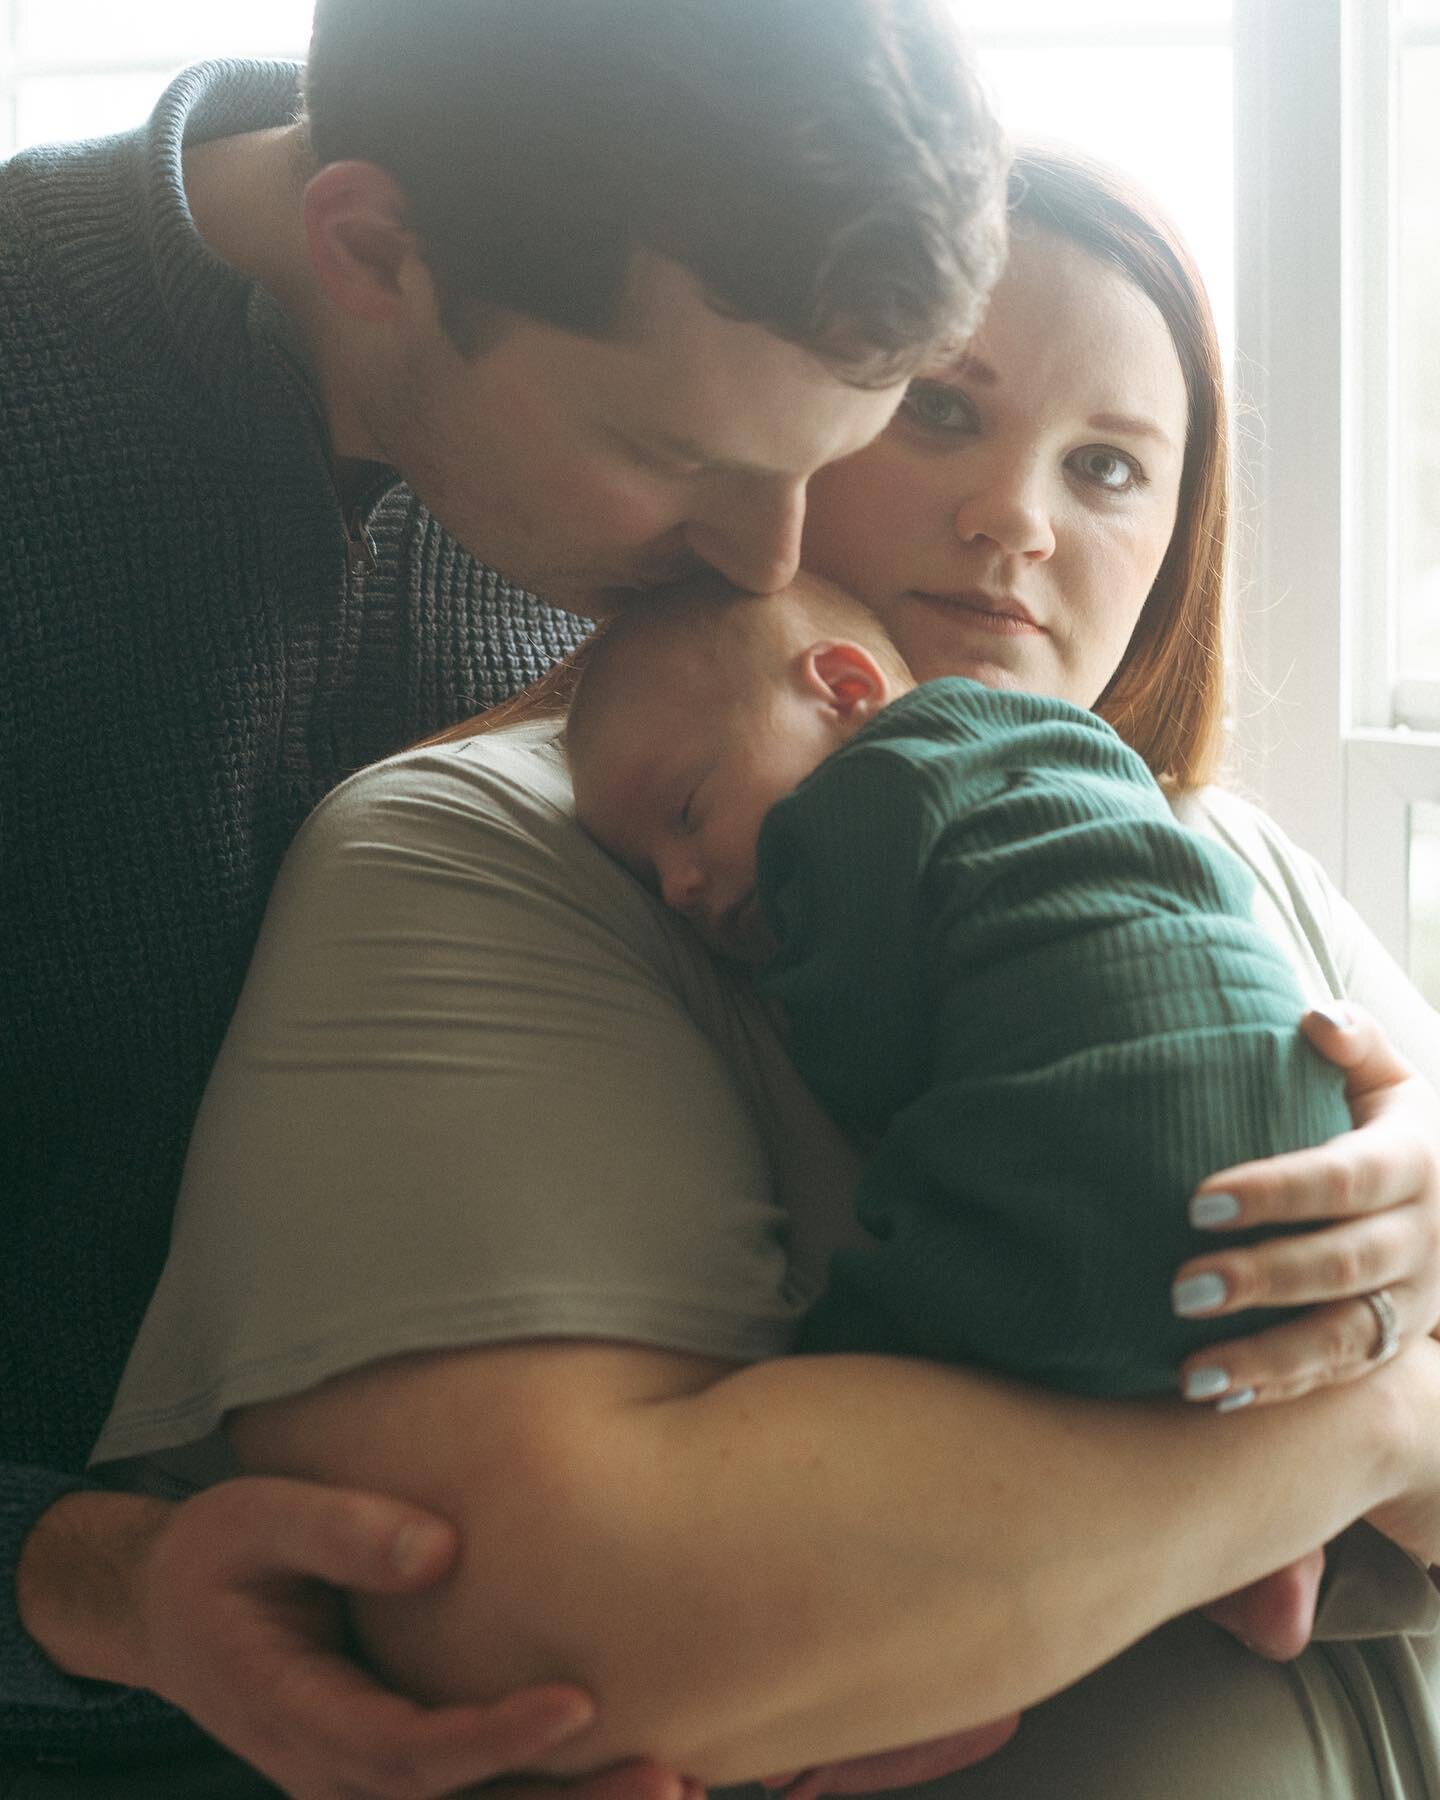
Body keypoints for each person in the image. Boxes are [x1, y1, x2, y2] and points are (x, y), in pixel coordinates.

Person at [91, 144, 1440, 1798]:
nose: (1017, 516)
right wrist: (1380, 1422)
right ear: (785, 425)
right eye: (943, 410)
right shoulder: (491, 852)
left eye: (1109, 468)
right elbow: (560, 1638)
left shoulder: (1236, 856)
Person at [1, 2, 1011, 1792]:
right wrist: (90, 1582)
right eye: (682, 457)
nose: (767, 561)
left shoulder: (653, 511)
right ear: (373, 251)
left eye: (823, 459)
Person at [566, 572, 1355, 1397]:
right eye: (645, 870)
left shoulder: (866, 794)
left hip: (1131, 1149)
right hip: (1306, 1144)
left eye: (687, 811)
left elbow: (863, 1050)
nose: (677, 888)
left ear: (843, 690)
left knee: (848, 1353)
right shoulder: (1071, 752)